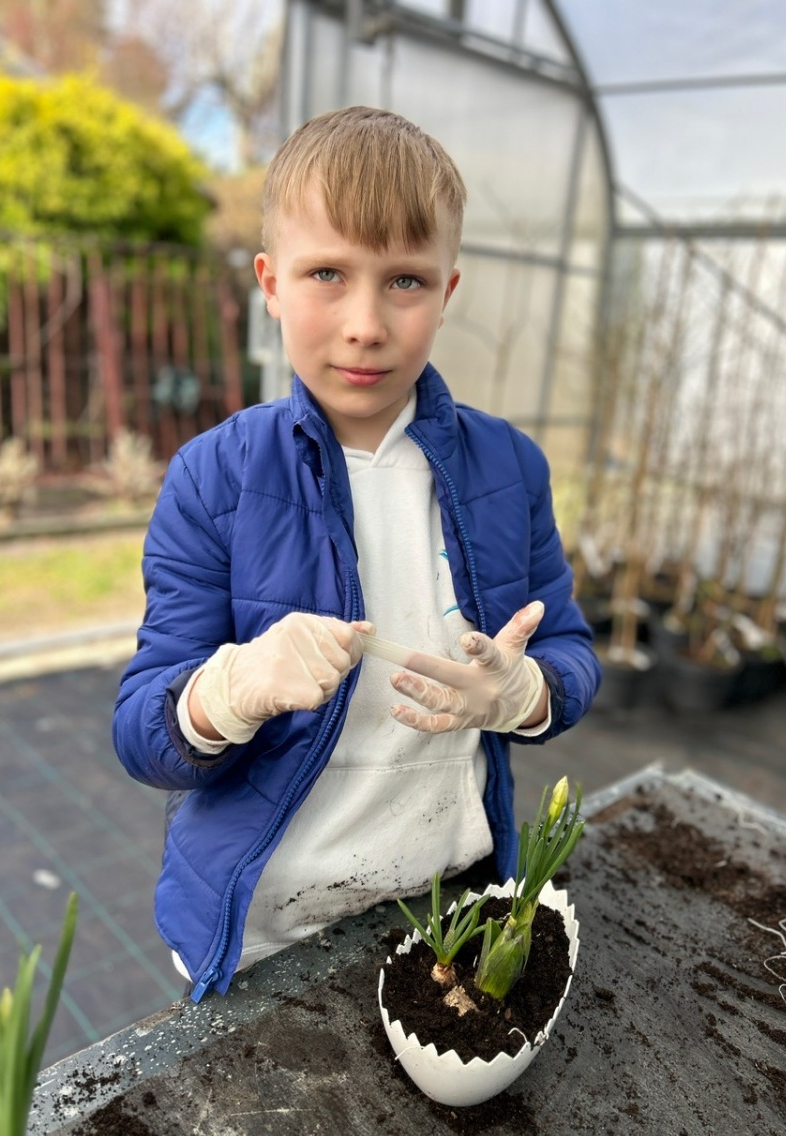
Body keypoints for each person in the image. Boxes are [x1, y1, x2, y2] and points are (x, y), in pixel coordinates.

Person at [112, 106, 601, 1001]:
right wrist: (227, 690)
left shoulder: (511, 467)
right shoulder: (214, 477)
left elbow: (570, 649)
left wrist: (526, 694)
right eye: (327, 273)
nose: (366, 324)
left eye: (405, 280)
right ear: (270, 283)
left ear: (448, 292)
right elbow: (143, 734)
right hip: (265, 931)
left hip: (447, 910)